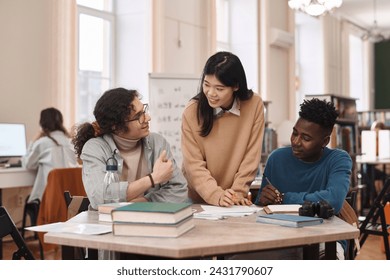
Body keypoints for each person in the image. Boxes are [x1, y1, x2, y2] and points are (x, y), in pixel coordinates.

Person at [255, 98, 353, 259]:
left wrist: (284, 198)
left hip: (325, 236)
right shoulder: (276, 158)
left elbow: (333, 201)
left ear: (325, 141)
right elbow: (262, 207)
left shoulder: (338, 159)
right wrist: (262, 199)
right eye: (295, 133)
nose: (295, 141)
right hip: (280, 233)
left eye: (306, 138)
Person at [72, 87, 189, 210]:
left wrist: (142, 202)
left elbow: (179, 190)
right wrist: (153, 178)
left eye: (144, 111)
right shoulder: (94, 148)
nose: (148, 118)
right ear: (115, 126)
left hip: (151, 220)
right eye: (139, 116)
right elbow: (99, 199)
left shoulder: (157, 142)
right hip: (106, 224)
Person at [181, 51, 265, 207]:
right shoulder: (192, 111)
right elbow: (193, 165)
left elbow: (251, 156)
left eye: (219, 88)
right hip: (197, 198)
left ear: (236, 86)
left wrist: (237, 193)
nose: (211, 93)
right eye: (206, 85)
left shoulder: (254, 104)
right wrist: (216, 195)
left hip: (233, 199)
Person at [22, 107, 78, 203]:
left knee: (31, 200)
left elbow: (28, 164)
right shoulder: (70, 142)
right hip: (71, 196)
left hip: (49, 197)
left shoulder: (42, 142)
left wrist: (33, 142)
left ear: (42, 124)